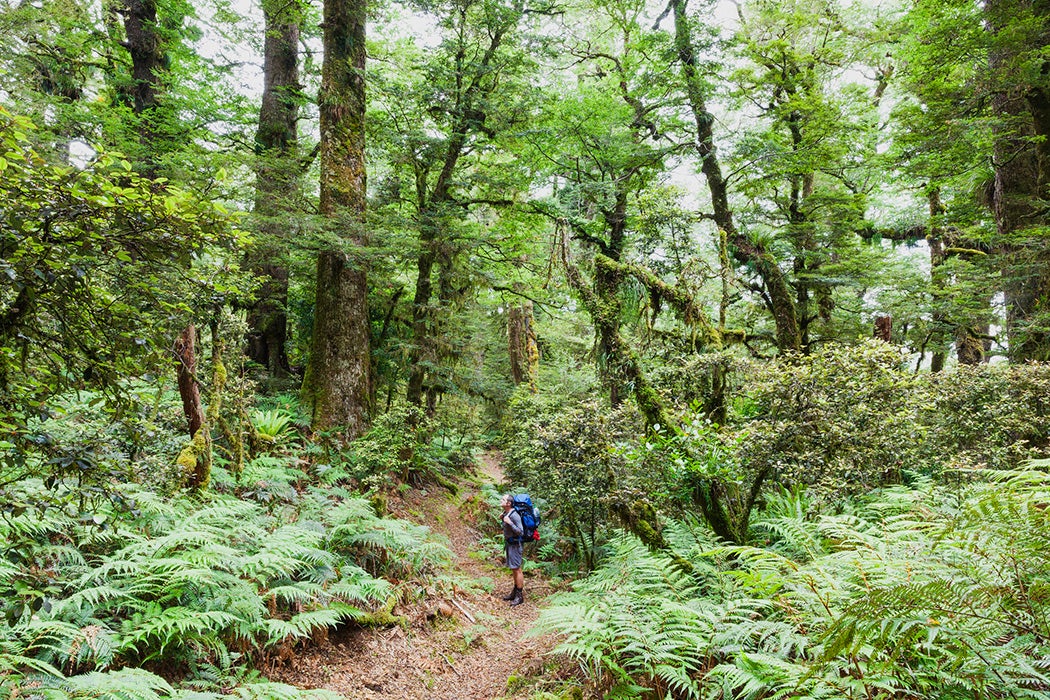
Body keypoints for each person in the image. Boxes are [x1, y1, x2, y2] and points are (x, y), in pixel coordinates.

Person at [499, 494, 525, 606]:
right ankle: (515, 592)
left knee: (517, 569)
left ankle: (519, 596)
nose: (501, 500)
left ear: (509, 503)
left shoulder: (514, 515)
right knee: (514, 568)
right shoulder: (506, 513)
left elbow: (520, 531)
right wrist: (503, 519)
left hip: (515, 545)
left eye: (503, 499)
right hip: (510, 544)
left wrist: (509, 522)